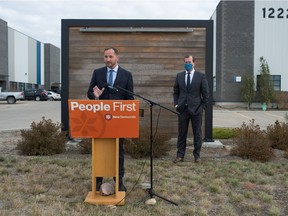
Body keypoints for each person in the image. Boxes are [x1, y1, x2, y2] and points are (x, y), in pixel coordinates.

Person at [87, 47, 134, 191]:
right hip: (100, 121)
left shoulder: (126, 75)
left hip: (118, 121)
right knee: (99, 150)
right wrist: (96, 96)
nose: (108, 59)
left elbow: (130, 99)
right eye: (106, 57)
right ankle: (98, 181)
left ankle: (119, 181)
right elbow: (90, 93)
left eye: (110, 57)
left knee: (118, 151)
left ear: (117, 57)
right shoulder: (98, 73)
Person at [173, 55, 209, 163]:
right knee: (181, 133)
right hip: (182, 109)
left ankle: (197, 156)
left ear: (194, 63)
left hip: (196, 110)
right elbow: (176, 92)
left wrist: (202, 107)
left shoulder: (201, 76)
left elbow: (206, 94)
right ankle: (180, 155)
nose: (187, 64)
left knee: (197, 133)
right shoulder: (179, 76)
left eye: (189, 62)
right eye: (185, 62)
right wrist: (176, 104)